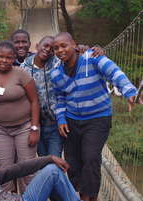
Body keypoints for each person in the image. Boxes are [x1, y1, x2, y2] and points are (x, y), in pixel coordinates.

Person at [50, 32, 137, 201]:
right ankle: (84, 192)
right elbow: (59, 98)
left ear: (75, 45)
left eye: (64, 46)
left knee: (90, 158)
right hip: (72, 120)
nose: (60, 50)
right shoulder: (56, 74)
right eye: (56, 48)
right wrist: (60, 119)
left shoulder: (93, 58)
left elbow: (114, 73)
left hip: (98, 118)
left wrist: (129, 91)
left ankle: (88, 197)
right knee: (73, 163)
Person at [21, 36, 105, 158]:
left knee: (54, 159)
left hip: (57, 122)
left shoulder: (58, 62)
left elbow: (73, 55)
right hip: (36, 123)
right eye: (45, 46)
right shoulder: (24, 68)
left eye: (52, 49)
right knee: (43, 159)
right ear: (37, 46)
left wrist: (91, 50)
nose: (48, 50)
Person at [0, 41, 40, 193]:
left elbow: (34, 101)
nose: (4, 60)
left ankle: (29, 197)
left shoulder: (21, 73)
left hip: (24, 127)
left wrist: (34, 128)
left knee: (27, 169)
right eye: (1, 56)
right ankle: (9, 197)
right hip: (1, 130)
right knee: (5, 170)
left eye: (9, 57)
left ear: (14, 58)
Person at [0, 152, 81, 201]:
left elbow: (19, 168)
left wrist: (49, 158)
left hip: (23, 199)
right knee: (52, 171)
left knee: (52, 169)